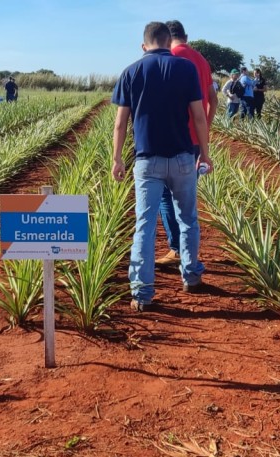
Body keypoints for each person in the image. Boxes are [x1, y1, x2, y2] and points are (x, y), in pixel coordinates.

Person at [111, 21, 212, 312]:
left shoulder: (131, 71)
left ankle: (142, 293)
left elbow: (120, 123)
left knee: (144, 224)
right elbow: (199, 116)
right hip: (182, 157)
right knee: (188, 219)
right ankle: (191, 276)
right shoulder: (186, 68)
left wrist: (116, 159)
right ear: (169, 43)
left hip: (147, 160)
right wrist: (205, 154)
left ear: (144, 45)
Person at [155, 19, 217, 267]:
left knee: (165, 195)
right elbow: (213, 99)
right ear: (186, 36)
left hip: (172, 138)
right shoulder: (201, 60)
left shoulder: (169, 57)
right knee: (186, 198)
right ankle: (188, 253)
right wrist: (204, 129)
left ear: (166, 38)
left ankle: (177, 249)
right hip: (195, 140)